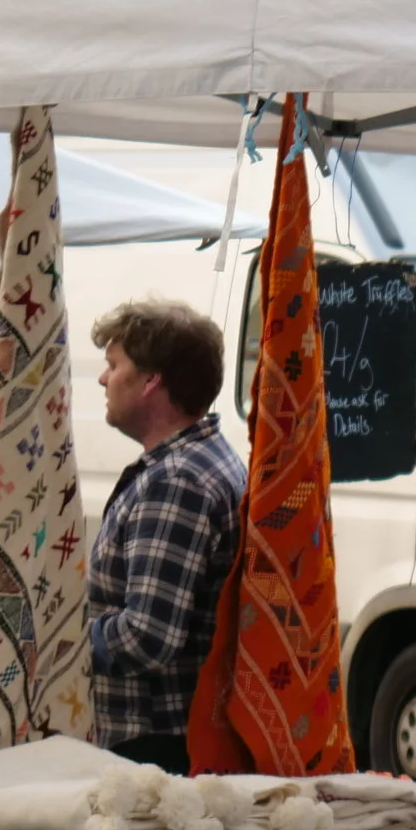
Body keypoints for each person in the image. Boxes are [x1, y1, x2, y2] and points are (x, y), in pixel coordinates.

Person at [88, 300, 245, 774]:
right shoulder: (193, 462)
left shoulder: (176, 480)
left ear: (152, 380)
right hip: (165, 739)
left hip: (153, 746)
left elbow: (148, 637)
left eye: (114, 365)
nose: (103, 379)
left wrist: (57, 644)